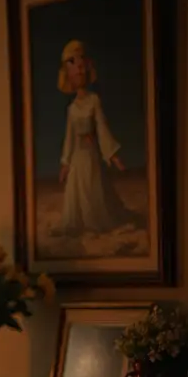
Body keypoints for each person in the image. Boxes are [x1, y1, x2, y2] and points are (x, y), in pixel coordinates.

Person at [57, 39, 129, 235]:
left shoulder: (94, 100)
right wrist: (65, 164)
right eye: (73, 65)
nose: (78, 71)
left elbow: (102, 128)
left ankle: (95, 222)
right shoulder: (71, 109)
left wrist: (113, 155)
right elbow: (69, 138)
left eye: (81, 65)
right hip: (77, 159)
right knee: (78, 191)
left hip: (91, 156)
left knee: (93, 189)